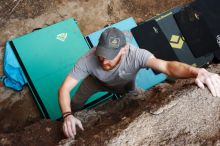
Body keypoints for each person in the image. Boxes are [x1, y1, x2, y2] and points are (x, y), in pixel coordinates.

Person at [58, 27, 220, 138]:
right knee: (75, 103)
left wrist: (197, 72)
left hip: (126, 84)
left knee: (134, 97)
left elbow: (167, 66)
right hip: (96, 82)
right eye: (101, 54)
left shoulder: (137, 55)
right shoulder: (88, 59)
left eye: (110, 56)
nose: (104, 60)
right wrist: (67, 116)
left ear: (124, 49)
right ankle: (70, 119)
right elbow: (64, 89)